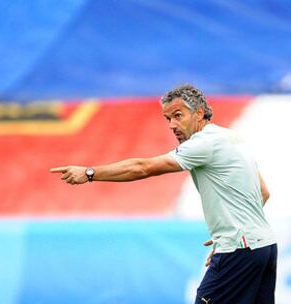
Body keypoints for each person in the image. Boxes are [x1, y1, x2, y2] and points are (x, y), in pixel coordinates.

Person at [50, 84, 277, 303]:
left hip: (239, 249)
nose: (172, 125)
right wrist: (234, 228)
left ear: (199, 113)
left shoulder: (203, 144)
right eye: (168, 118)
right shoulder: (231, 137)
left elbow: (143, 167)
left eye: (178, 115)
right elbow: (263, 192)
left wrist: (89, 173)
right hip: (265, 246)